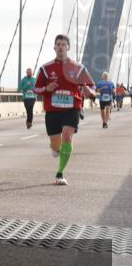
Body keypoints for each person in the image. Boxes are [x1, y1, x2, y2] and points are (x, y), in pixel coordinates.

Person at [33, 35, 95, 185]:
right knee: (56, 146)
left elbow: (92, 87)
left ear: (68, 48)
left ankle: (60, 173)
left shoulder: (78, 68)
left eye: (63, 44)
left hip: (72, 108)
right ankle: (56, 149)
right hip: (53, 110)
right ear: (54, 48)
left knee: (67, 136)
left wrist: (90, 92)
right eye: (58, 44)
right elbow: (35, 88)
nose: (61, 47)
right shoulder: (46, 68)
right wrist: (47, 88)